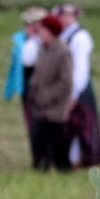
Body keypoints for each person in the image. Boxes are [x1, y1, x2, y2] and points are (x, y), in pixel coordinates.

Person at [52, 3, 100, 168]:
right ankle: (66, 159)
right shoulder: (62, 35)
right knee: (66, 127)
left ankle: (79, 161)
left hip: (78, 88)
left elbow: (81, 68)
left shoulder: (80, 37)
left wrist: (73, 94)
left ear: (72, 17)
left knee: (78, 127)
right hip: (64, 87)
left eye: (64, 15)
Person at [27, 15, 74, 172]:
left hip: (55, 106)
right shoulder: (42, 49)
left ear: (51, 32)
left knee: (55, 140)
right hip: (39, 103)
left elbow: (66, 82)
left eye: (42, 29)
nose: (39, 32)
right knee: (38, 138)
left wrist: (48, 96)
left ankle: (61, 169)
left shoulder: (63, 51)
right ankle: (40, 167)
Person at [4, 6, 47, 164]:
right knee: (32, 123)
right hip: (28, 87)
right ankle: (37, 158)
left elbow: (29, 60)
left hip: (41, 88)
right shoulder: (22, 40)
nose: (30, 27)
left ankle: (43, 158)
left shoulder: (42, 43)